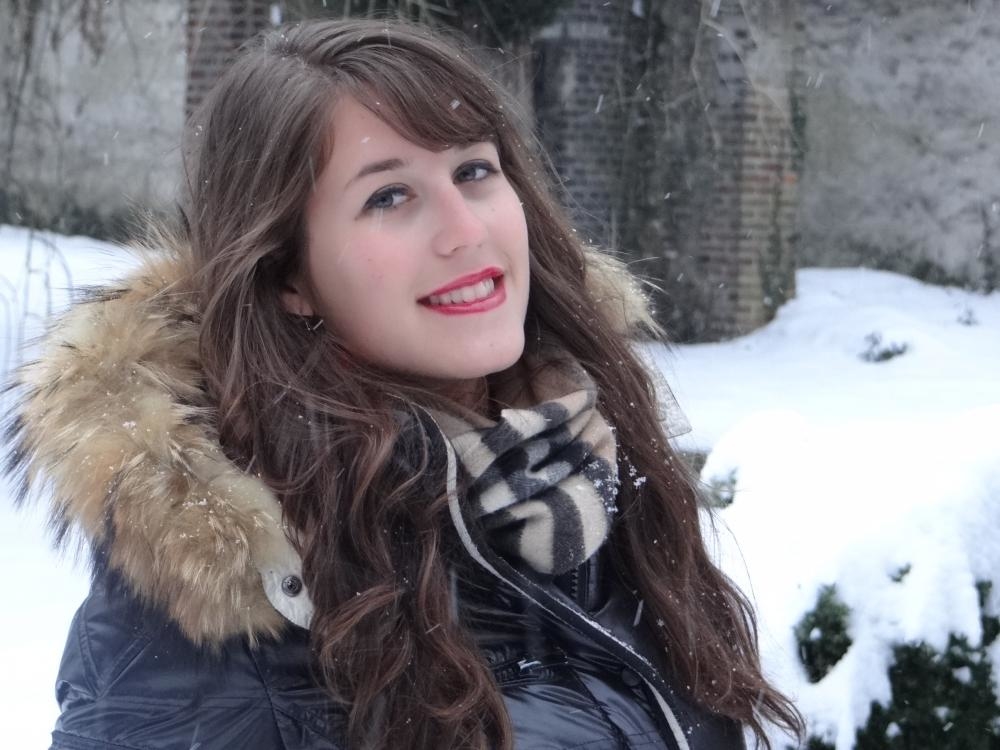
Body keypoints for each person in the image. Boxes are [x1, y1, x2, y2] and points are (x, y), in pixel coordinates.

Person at [8, 18, 803, 750]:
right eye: (389, 196)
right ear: (289, 276)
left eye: (474, 170)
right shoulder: (233, 607)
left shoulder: (593, 467)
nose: (465, 229)